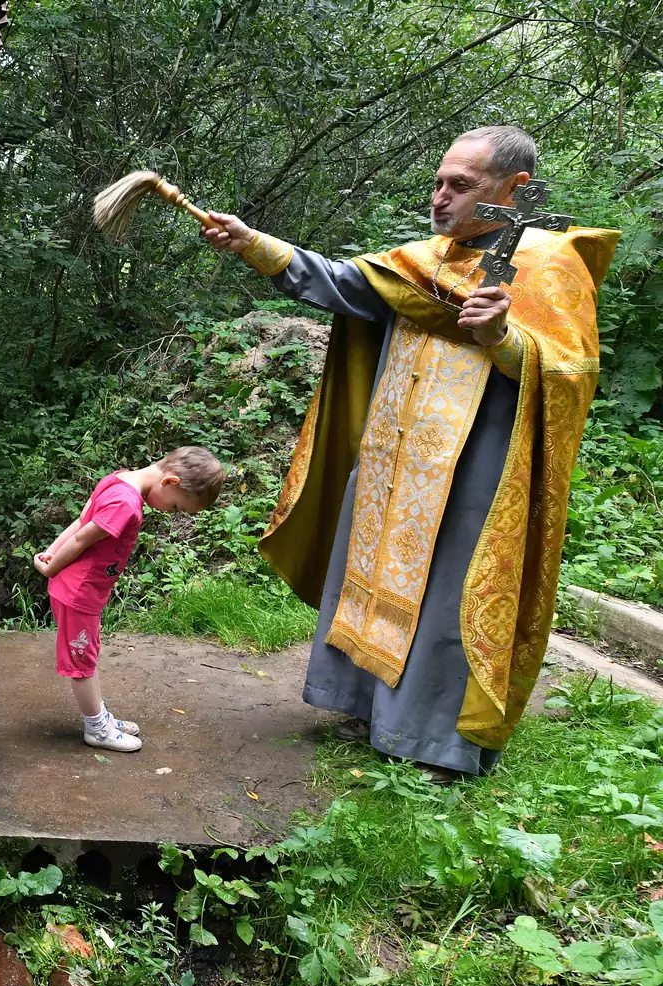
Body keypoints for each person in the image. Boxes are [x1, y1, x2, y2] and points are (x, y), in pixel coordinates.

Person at [201, 125, 619, 781]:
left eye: (461, 185)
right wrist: (252, 243)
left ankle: (434, 743)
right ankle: (368, 707)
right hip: (396, 458)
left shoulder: (548, 265)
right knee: (371, 576)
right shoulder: (427, 259)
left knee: (450, 595)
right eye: (438, 182)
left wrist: (505, 340)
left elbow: (572, 373)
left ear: (517, 190)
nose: (440, 197)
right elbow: (342, 283)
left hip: (475, 465)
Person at [31, 448, 225, 753]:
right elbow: (82, 537)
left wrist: (51, 552)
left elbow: (81, 522)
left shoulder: (119, 479)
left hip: (81, 590)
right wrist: (51, 566)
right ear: (170, 482)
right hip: (79, 593)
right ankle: (96, 728)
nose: (171, 513)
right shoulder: (126, 503)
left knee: (88, 655)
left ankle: (100, 717)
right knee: (82, 662)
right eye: (176, 507)